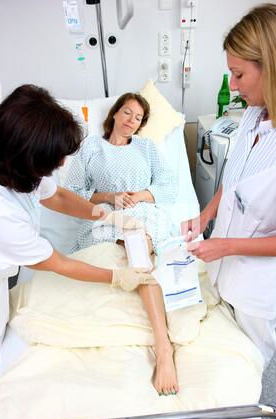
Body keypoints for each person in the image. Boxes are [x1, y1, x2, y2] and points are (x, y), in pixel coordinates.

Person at [0, 85, 156, 362]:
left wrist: (106, 215)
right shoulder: (3, 216)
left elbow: (57, 195)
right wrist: (117, 277)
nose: (60, 164)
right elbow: (58, 262)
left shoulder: (16, 162)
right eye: (55, 159)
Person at [182, 3, 276, 368]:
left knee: (243, 367)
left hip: (255, 292)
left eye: (239, 75)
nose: (232, 86)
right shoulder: (251, 114)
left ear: (273, 68)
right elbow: (232, 182)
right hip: (222, 270)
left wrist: (225, 245)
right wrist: (205, 216)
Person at [65, 93, 179, 395]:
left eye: (138, 118)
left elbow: (169, 184)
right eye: (127, 113)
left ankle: (163, 347)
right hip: (104, 215)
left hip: (140, 212)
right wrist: (108, 198)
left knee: (138, 248)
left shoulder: (146, 148)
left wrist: (139, 195)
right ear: (115, 114)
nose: (131, 121)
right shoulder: (91, 147)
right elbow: (72, 193)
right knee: (122, 252)